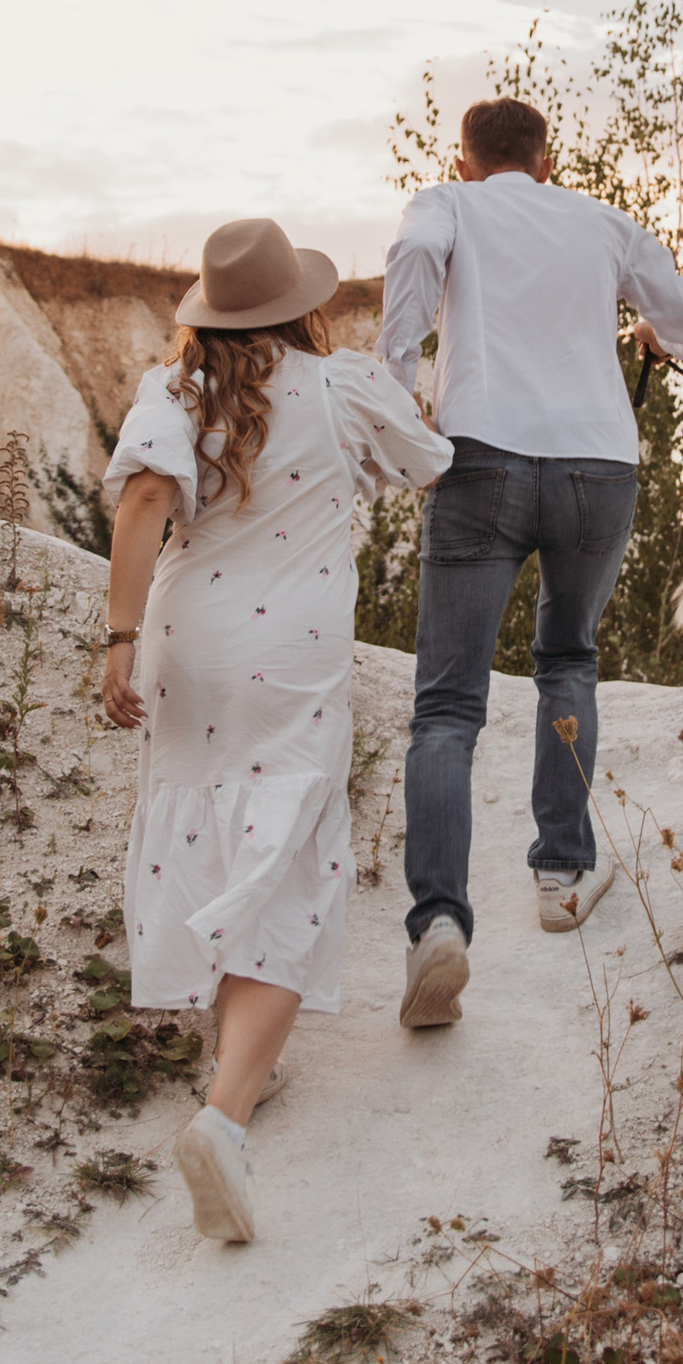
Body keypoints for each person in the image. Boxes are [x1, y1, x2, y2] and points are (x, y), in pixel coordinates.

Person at [102, 213, 451, 1244]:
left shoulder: (170, 391)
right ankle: (227, 1112)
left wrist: (118, 641)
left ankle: (241, 1054)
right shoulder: (339, 387)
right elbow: (428, 460)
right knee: (292, 856)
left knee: (208, 829)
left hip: (185, 639)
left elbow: (141, 507)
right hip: (291, 651)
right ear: (300, 308)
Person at [379, 95, 683, 1030]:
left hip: (482, 457)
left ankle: (439, 927)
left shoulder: (446, 207)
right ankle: (561, 875)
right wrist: (660, 336)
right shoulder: (604, 221)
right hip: (596, 465)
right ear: (546, 162)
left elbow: (414, 258)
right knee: (568, 660)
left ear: (466, 162)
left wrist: (398, 379)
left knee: (448, 704)